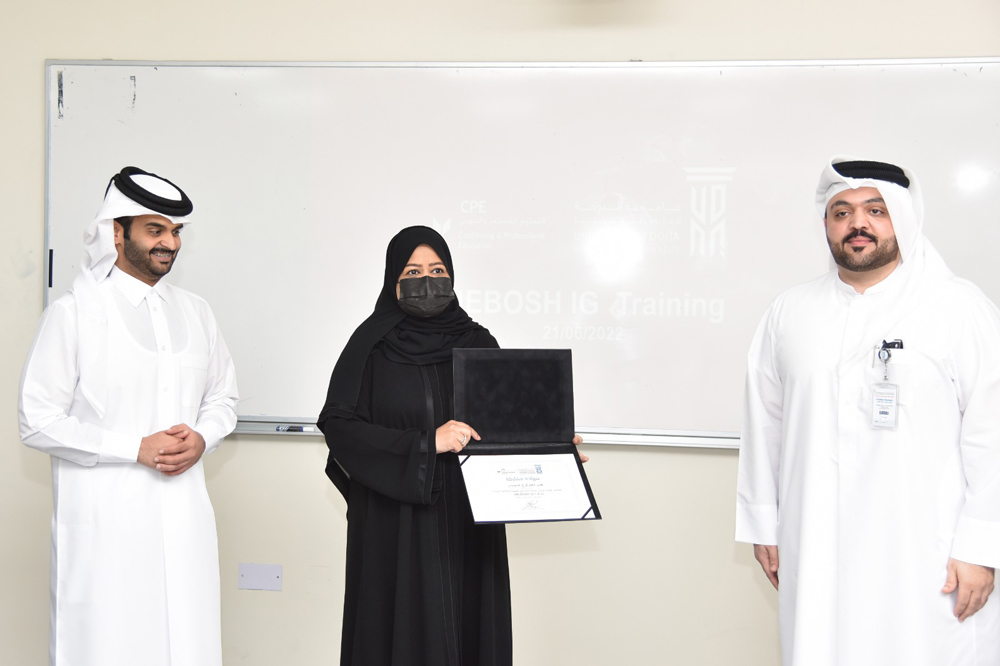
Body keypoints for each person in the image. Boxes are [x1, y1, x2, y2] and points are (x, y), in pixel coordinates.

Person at [735, 156, 1000, 665]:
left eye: (876, 210)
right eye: (842, 212)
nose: (858, 224)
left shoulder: (959, 309)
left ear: (904, 218)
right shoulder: (790, 312)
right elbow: (764, 423)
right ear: (826, 225)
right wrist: (764, 526)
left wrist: (981, 548)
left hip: (928, 554)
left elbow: (992, 434)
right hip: (814, 540)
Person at [319, 226, 586, 666]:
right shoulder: (369, 347)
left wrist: (553, 446)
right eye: (413, 271)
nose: (427, 281)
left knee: (468, 626)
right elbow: (340, 428)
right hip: (395, 523)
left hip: (467, 520)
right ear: (393, 279)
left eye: (437, 269)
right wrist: (427, 443)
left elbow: (503, 425)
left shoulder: (477, 341)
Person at [18, 167, 239, 666]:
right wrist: (133, 448)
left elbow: (224, 398)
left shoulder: (197, 312)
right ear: (116, 233)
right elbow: (37, 419)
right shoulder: (73, 313)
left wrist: (203, 437)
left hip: (184, 520)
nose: (170, 243)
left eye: (176, 231)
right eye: (154, 230)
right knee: (108, 644)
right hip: (106, 527)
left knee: (186, 640)